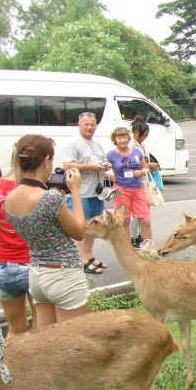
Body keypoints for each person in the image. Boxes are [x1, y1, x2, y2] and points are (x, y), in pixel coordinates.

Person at [4, 135, 105, 390]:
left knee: (42, 355)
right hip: (64, 277)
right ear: (47, 161)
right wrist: (74, 192)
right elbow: (78, 229)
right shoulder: (49, 198)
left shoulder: (10, 198)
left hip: (38, 276)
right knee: (72, 357)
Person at [62, 111, 110, 274]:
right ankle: (81, 259)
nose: (89, 127)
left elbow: (100, 161)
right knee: (80, 227)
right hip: (80, 193)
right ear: (79, 125)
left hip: (97, 192)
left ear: (96, 126)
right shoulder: (74, 143)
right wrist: (91, 166)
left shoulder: (97, 143)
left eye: (92, 124)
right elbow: (67, 165)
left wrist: (105, 166)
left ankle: (89, 255)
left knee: (93, 227)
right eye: (86, 124)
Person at [0, 172, 36, 336]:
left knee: (14, 329)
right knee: (41, 329)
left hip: (3, 264)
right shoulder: (36, 187)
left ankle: (10, 362)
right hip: (32, 262)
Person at [105, 127, 153, 244]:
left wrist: (141, 172)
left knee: (146, 221)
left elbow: (146, 168)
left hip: (138, 189)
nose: (122, 140)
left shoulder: (137, 151)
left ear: (128, 138)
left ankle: (148, 250)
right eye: (119, 138)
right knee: (124, 221)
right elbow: (101, 169)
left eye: (125, 137)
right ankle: (127, 250)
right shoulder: (110, 155)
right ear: (115, 139)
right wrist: (111, 177)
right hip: (121, 190)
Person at [131, 116, 161, 249]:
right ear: (136, 132)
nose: (145, 138)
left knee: (143, 211)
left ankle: (139, 235)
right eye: (144, 135)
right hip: (136, 182)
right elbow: (137, 164)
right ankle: (133, 237)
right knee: (137, 212)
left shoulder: (141, 145)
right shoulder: (132, 145)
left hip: (144, 180)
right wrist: (151, 165)